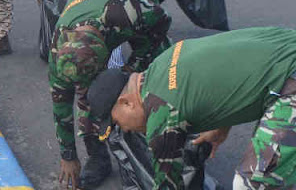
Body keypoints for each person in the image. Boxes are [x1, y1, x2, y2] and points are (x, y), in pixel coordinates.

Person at [88, 26, 296, 190]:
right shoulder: (162, 64)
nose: (124, 130)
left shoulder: (161, 111)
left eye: (117, 122)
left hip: (290, 80)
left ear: (127, 102)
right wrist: (222, 123)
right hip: (285, 50)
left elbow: (167, 185)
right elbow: (229, 71)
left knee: (253, 183)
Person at [49, 0, 171, 189]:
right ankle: (98, 158)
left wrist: (133, 68)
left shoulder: (126, 11)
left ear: (105, 56)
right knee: (93, 96)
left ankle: (166, 136)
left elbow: (162, 23)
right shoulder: (59, 51)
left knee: (156, 73)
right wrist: (68, 156)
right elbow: (61, 108)